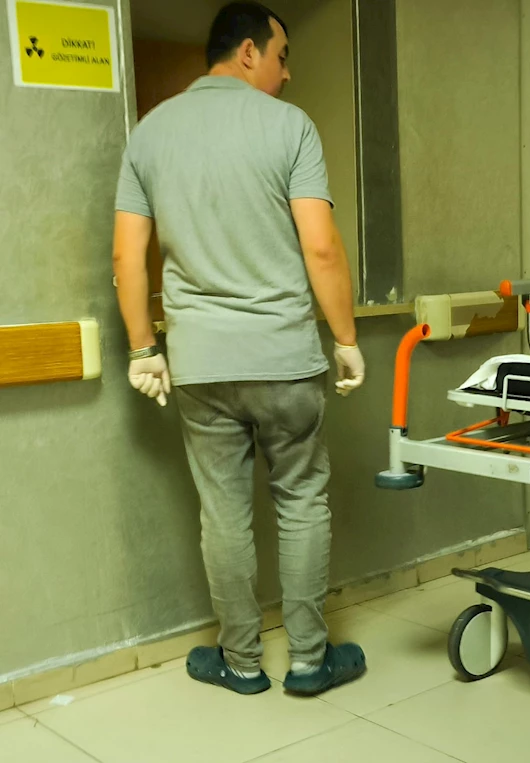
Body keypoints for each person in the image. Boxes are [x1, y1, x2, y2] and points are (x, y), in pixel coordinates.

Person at [112, 2, 367, 697]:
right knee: (302, 501)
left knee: (222, 512)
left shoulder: (149, 132)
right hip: (284, 357)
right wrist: (346, 339)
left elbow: (127, 257)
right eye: (282, 57)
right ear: (249, 51)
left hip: (201, 364)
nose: (287, 75)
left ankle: (242, 662)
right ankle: (310, 662)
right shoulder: (290, 127)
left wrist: (143, 350)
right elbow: (321, 247)